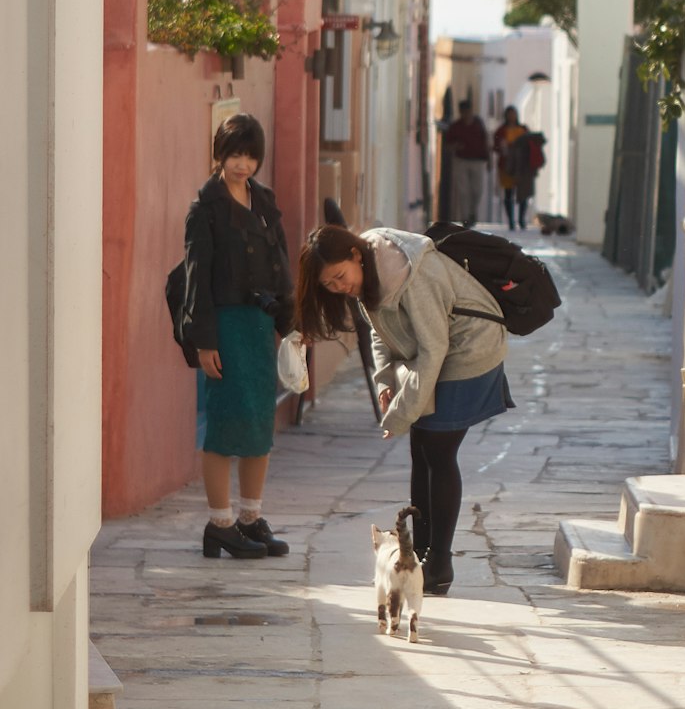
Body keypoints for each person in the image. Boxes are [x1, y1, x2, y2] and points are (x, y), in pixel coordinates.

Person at [296, 222, 512, 594]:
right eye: (329, 285)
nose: (339, 287)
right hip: (437, 351)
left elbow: (434, 348)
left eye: (339, 277)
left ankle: (439, 563)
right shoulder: (368, 277)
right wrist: (385, 383)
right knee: (421, 448)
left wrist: (400, 412)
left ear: (354, 255)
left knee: (438, 449)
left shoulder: (408, 272)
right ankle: (420, 554)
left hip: (471, 347)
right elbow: (381, 334)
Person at [184, 112, 294, 559]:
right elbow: (197, 277)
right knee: (225, 425)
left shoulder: (264, 201)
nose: (242, 164)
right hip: (224, 325)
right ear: (220, 153)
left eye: (250, 156)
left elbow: (282, 264)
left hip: (259, 324)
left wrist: (290, 325)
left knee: (258, 425)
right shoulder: (204, 208)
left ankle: (250, 519)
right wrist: (204, 342)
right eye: (235, 154)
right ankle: (220, 523)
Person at [443, 99, 490, 227]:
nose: (466, 114)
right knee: (463, 191)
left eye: (467, 111)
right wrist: (455, 146)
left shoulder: (478, 124)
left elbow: (486, 141)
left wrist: (489, 159)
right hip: (461, 160)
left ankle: (472, 213)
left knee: (477, 190)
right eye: (463, 111)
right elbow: (447, 145)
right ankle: (465, 218)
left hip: (478, 161)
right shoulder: (456, 126)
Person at [493, 104, 530, 231]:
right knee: (508, 193)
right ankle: (511, 220)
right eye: (509, 114)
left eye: (513, 114)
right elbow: (496, 145)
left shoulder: (523, 129)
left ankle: (521, 219)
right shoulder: (501, 130)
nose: (512, 117)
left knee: (523, 194)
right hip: (507, 166)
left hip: (521, 167)